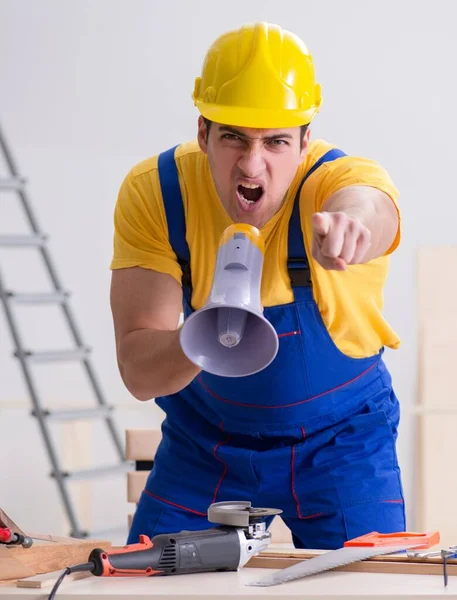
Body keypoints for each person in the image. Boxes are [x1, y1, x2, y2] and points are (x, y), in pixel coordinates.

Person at [110, 21, 405, 550]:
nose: (253, 164)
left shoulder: (333, 182)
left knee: (371, 584)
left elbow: (371, 202)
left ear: (305, 140)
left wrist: (352, 225)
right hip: (207, 445)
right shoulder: (157, 193)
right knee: (150, 583)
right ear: (202, 132)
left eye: (275, 142)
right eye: (233, 137)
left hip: (342, 443)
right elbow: (138, 373)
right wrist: (207, 334)